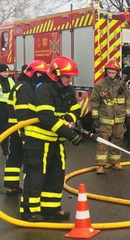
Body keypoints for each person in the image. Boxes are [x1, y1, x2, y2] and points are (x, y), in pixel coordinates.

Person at [20, 56, 83, 222]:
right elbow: (46, 117)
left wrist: (68, 120)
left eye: (71, 77)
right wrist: (70, 134)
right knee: (36, 175)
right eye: (67, 76)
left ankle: (51, 209)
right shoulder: (44, 90)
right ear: (56, 74)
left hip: (56, 141)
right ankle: (29, 210)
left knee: (56, 175)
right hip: (38, 141)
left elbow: (76, 111)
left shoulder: (68, 91)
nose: (70, 80)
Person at [4, 60, 48, 195]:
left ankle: (11, 185)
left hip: (14, 126)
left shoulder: (20, 84)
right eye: (40, 74)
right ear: (33, 73)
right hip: (20, 126)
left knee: (15, 155)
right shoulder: (26, 88)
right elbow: (23, 111)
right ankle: (29, 189)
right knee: (27, 157)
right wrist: (24, 130)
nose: (42, 77)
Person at [90, 60, 130, 174]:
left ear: (117, 73)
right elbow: (94, 102)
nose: (111, 75)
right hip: (105, 120)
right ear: (106, 72)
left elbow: (127, 102)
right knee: (102, 142)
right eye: (109, 72)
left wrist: (128, 116)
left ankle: (115, 162)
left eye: (113, 72)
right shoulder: (100, 85)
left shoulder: (123, 85)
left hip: (119, 120)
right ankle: (101, 165)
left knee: (118, 141)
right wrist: (95, 117)